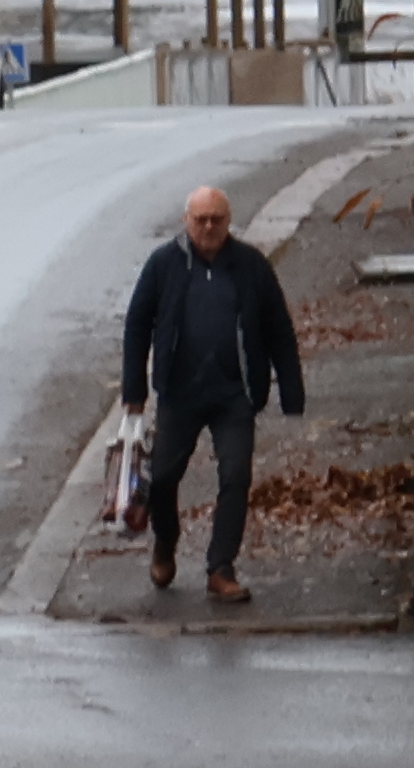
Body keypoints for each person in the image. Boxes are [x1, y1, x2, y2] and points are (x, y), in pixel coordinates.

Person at [119, 183, 307, 603]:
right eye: (200, 219)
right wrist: (134, 389)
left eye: (216, 219)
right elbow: (137, 326)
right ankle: (165, 542)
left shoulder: (251, 266)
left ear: (228, 222)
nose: (208, 227)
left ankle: (220, 567)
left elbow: (279, 329)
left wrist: (291, 394)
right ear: (187, 221)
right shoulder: (163, 265)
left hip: (234, 396)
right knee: (162, 479)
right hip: (179, 395)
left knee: (236, 477)